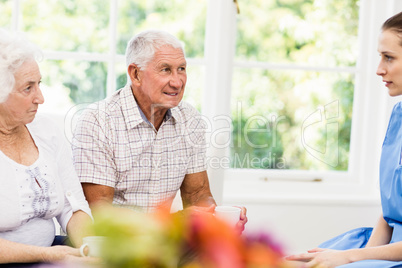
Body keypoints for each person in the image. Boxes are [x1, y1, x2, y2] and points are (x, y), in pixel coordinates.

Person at [71, 29, 247, 231]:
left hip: (165, 244)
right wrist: (175, 222)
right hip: (113, 245)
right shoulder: (98, 122)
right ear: (135, 74)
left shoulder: (189, 118)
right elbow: (101, 213)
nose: (177, 81)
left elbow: (198, 195)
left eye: (181, 69)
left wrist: (218, 220)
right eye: (165, 70)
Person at [287, 11, 402, 268]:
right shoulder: (399, 116)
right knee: (290, 264)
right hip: (383, 247)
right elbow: (389, 211)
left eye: (389, 58)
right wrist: (363, 258)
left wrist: (351, 258)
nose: (378, 69)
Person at [0, 29, 92, 264]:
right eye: (28, 88)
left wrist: (89, 247)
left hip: (52, 254)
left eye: (39, 84)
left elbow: (73, 206)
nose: (40, 98)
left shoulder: (46, 130)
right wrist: (47, 254)